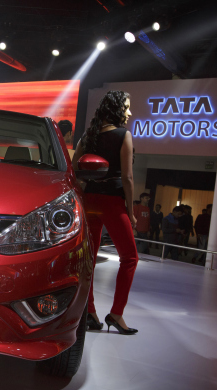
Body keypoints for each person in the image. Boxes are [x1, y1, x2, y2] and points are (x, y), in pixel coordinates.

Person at [71, 90, 138, 335]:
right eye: (127, 107)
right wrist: (130, 211)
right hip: (112, 202)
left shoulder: (87, 136)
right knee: (130, 258)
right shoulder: (123, 135)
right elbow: (128, 178)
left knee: (89, 259)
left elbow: (75, 169)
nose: (130, 112)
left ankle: (89, 312)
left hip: (90, 201)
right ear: (117, 109)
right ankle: (116, 314)